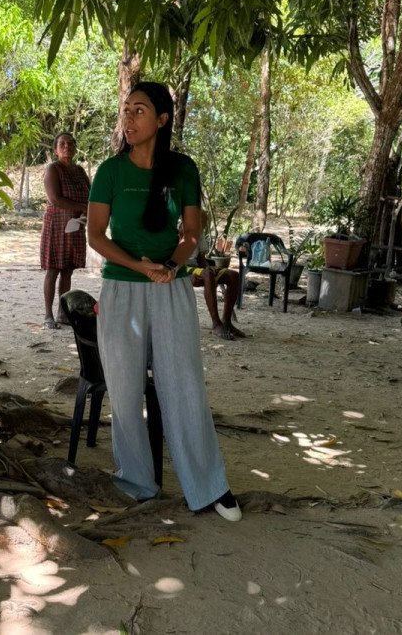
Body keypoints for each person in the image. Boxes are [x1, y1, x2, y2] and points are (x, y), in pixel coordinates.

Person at [87, 81, 241, 522]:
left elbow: (191, 232)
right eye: (126, 110)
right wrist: (141, 267)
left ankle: (209, 486)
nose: (129, 119)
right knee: (125, 388)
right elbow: (96, 236)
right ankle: (137, 482)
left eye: (139, 111)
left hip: (169, 288)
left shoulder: (182, 170)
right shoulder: (110, 172)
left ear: (162, 119)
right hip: (122, 290)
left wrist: (172, 265)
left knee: (185, 385)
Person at [40, 132, 89, 329]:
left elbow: (91, 194)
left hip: (76, 225)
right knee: (53, 270)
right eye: (62, 144)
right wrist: (83, 206)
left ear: (75, 148)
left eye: (70, 143)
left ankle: (63, 313)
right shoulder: (53, 169)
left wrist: (87, 211)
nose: (67, 147)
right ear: (55, 149)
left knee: (68, 270)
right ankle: (48, 315)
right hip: (57, 226)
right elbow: (55, 200)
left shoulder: (79, 170)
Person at [189, 210, 245, 340]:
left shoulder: (200, 236)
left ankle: (227, 321)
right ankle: (216, 323)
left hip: (198, 269)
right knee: (208, 275)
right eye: (200, 224)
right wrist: (197, 273)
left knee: (233, 275)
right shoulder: (177, 234)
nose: (202, 227)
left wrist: (209, 268)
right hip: (183, 269)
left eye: (204, 225)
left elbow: (201, 260)